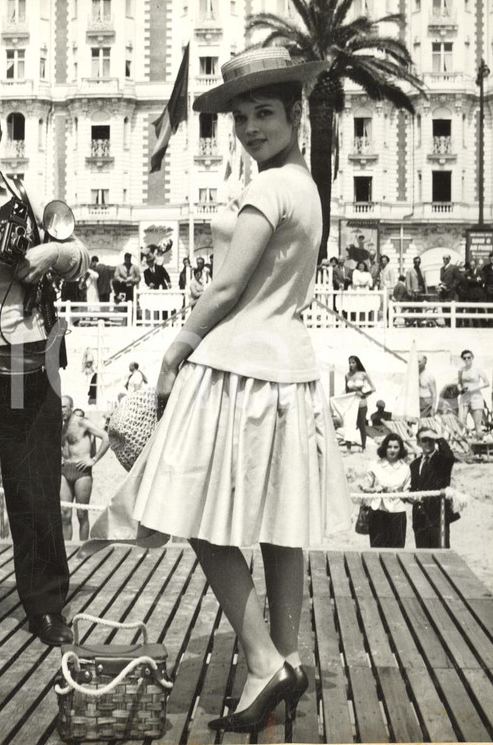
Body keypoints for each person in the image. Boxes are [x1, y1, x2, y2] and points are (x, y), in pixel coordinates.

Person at [83, 46, 351, 733]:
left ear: (296, 112)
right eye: (240, 116)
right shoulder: (305, 186)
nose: (252, 127)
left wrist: (175, 349)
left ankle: (262, 657)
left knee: (196, 516)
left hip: (239, 363)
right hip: (289, 364)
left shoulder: (266, 190)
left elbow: (228, 286)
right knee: (283, 525)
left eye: (265, 112)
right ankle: (283, 658)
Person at [0, 95, 89, 645]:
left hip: (22, 361)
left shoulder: (22, 194)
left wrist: (49, 257)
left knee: (35, 488)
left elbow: (81, 254)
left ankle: (45, 606)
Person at [60, 396, 110, 541]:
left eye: (64, 407)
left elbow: (106, 437)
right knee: (64, 513)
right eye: (59, 407)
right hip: (64, 470)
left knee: (82, 514)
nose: (61, 410)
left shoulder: (82, 423)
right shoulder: (60, 425)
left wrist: (93, 459)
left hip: (81, 471)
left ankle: (82, 549)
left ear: (71, 407)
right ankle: (66, 550)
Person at [360, 433, 410, 548]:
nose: (392, 450)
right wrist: (375, 490)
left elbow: (407, 492)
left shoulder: (405, 468)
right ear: (384, 448)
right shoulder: (374, 465)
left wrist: (397, 493)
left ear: (400, 449)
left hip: (398, 513)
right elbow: (365, 487)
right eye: (389, 446)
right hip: (378, 512)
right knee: (377, 550)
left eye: (396, 447)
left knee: (397, 550)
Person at [410, 426, 458, 548]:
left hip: (438, 517)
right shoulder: (414, 464)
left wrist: (438, 437)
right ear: (418, 442)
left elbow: (449, 456)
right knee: (422, 557)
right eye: (424, 440)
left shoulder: (442, 460)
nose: (427, 443)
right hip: (419, 518)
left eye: (430, 439)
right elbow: (412, 488)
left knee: (441, 557)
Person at [344, 355, 375, 452]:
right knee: (349, 424)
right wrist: (352, 393)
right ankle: (348, 449)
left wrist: (364, 394)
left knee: (362, 424)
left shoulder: (363, 374)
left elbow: (373, 388)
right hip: (351, 402)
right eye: (350, 362)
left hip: (361, 401)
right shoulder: (347, 375)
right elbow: (346, 390)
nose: (351, 364)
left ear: (357, 363)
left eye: (353, 362)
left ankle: (363, 447)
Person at [457, 349, 490, 439]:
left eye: (469, 357)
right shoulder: (461, 370)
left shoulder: (477, 369)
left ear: (472, 358)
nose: (467, 359)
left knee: (477, 424)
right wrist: (460, 389)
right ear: (462, 359)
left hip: (476, 397)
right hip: (464, 397)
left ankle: (479, 447)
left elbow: (487, 383)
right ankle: (459, 444)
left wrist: (475, 388)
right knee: (461, 421)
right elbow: (459, 382)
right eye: (464, 358)